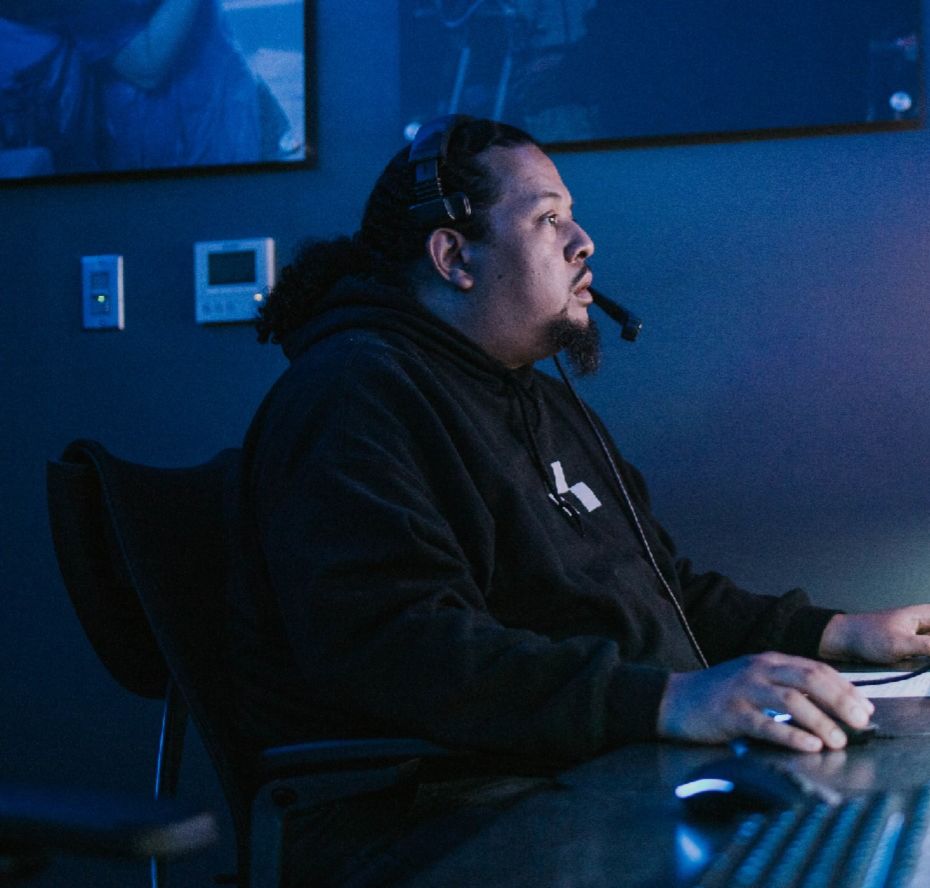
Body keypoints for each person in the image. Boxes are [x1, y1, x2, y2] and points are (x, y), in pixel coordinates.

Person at [230, 116, 930, 883]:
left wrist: (839, 633)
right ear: (454, 257)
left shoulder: (543, 404)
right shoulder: (356, 395)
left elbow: (665, 591)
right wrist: (664, 702)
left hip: (598, 770)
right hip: (448, 814)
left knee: (876, 831)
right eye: (548, 218)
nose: (583, 241)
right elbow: (400, 648)